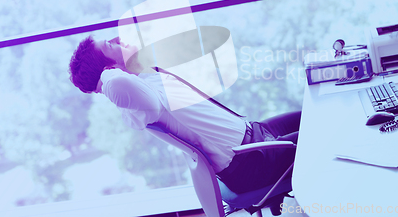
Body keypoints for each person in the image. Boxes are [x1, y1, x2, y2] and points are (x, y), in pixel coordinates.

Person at [68, 35, 300, 193]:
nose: (118, 39)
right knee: (325, 133)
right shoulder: (147, 102)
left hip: (255, 136)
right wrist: (104, 76)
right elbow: (117, 83)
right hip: (253, 162)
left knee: (308, 115)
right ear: (110, 69)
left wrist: (120, 64)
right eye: (110, 44)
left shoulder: (148, 80)